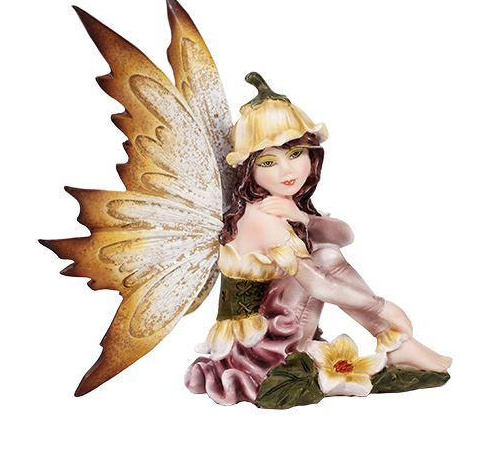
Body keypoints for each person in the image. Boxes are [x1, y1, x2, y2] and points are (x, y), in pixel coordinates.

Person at [185, 72, 452, 406]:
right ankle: (393, 340)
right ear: (249, 170)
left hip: (279, 320)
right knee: (323, 259)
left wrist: (304, 218)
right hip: (258, 347)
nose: (287, 171)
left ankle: (394, 343)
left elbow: (345, 235)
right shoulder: (262, 217)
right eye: (269, 161)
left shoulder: (282, 205)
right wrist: (384, 309)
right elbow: (318, 285)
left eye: (296, 154)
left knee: (326, 252)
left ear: (312, 155)